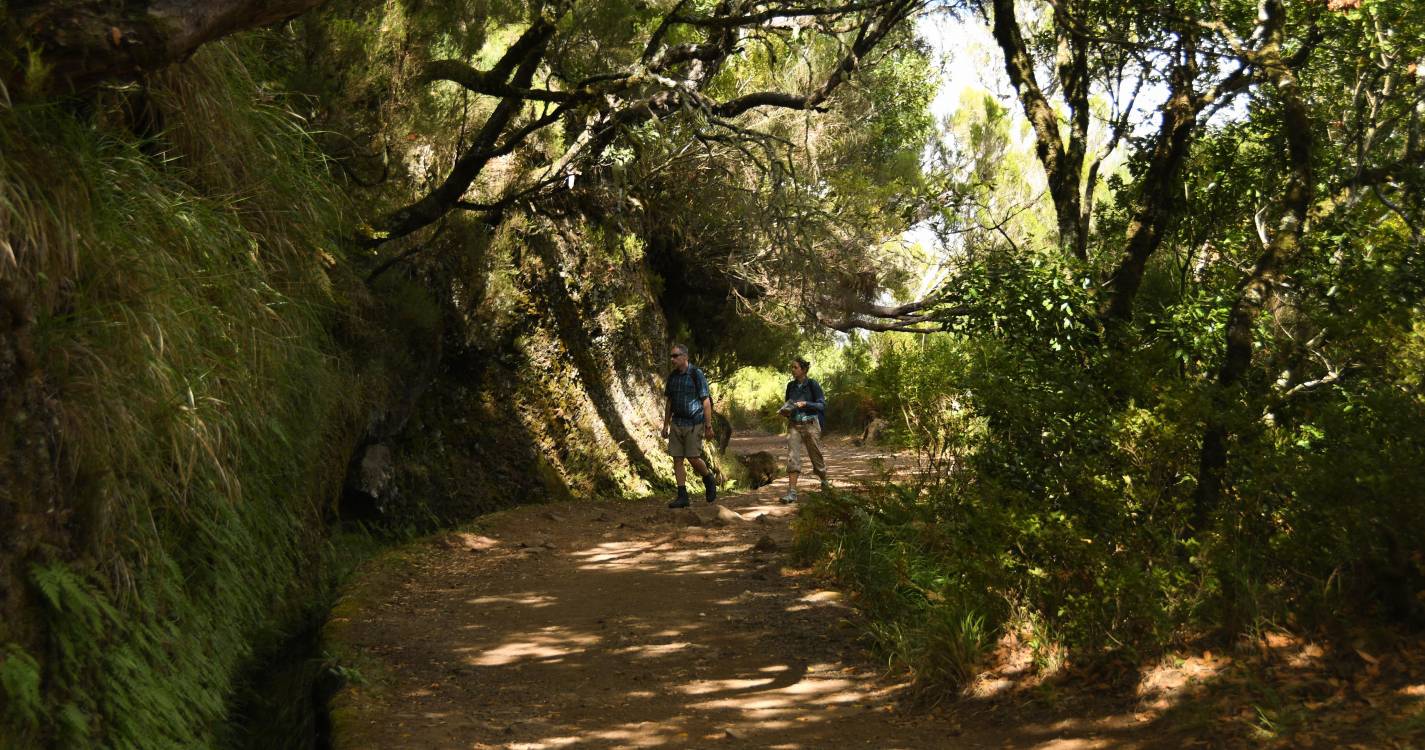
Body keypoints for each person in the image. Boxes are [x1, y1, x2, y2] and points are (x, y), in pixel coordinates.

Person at [661, 343, 718, 508]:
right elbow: (669, 402)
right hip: (677, 422)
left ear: (685, 357)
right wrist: (666, 425)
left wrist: (708, 426)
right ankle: (682, 495)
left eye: (675, 356)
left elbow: (706, 401)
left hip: (694, 423)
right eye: (671, 356)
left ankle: (708, 478)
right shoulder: (672, 377)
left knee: (693, 457)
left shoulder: (696, 374)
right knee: (677, 459)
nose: (672, 359)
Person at [779, 356, 829, 504]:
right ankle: (792, 493)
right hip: (794, 425)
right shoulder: (790, 386)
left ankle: (825, 485)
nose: (792, 370)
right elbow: (788, 404)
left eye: (795, 367)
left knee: (816, 456)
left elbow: (821, 405)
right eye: (792, 368)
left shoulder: (813, 384)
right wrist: (785, 411)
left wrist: (805, 404)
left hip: (811, 425)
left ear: (804, 370)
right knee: (792, 458)